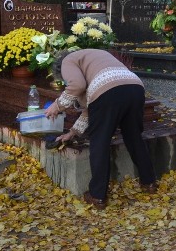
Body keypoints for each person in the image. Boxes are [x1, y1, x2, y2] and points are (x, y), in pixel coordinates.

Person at [45, 49, 158, 209]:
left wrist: (57, 106)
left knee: (99, 142)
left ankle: (97, 195)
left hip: (109, 92)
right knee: (134, 137)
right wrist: (73, 132)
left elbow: (77, 85)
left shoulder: (67, 61)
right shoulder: (93, 59)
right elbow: (91, 109)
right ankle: (149, 183)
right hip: (134, 87)